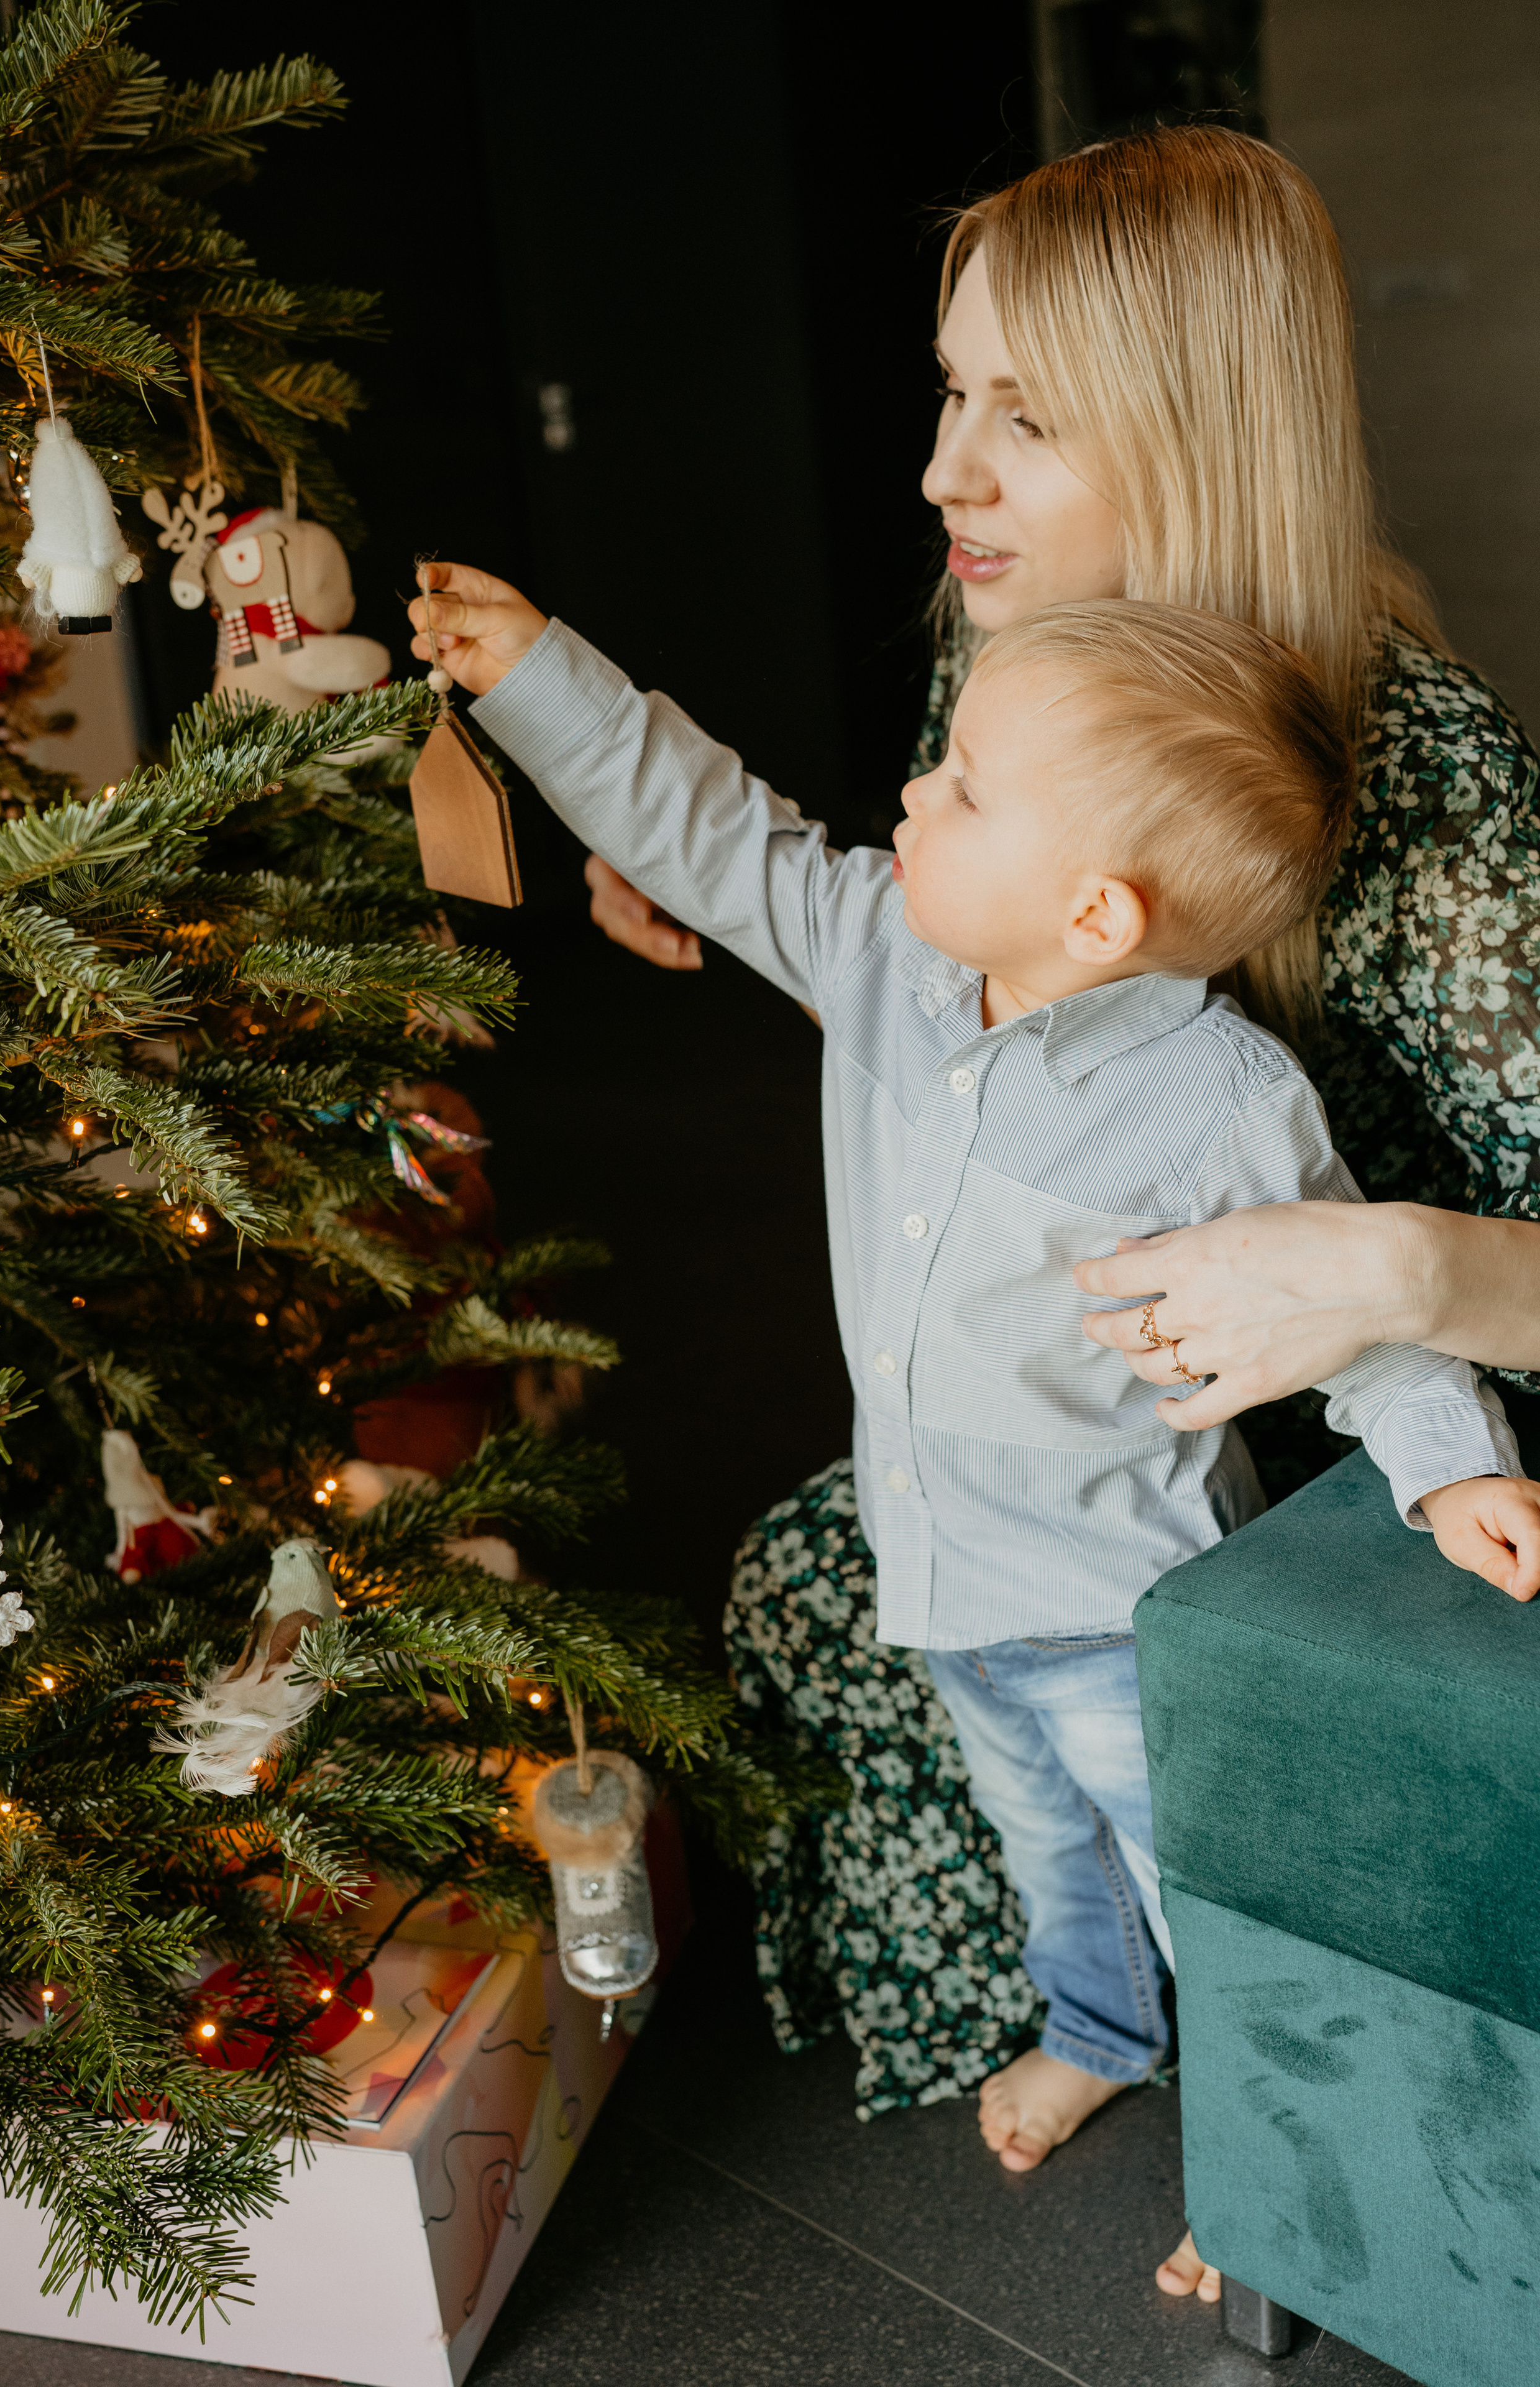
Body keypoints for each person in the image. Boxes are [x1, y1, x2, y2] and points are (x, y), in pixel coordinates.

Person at [564, 122, 1540, 2302]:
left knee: (1201, 1779)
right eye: (947, 392)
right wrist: (758, 897)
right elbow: (927, 927)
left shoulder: (1441, 797)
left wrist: (1413, 1288)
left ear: (1194, 443)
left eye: (1024, 413)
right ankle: (1101, 2025)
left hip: (1415, 1416)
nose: (940, 471)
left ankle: (1291, 2136)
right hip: (1103, 1409)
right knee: (845, 1602)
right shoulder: (1010, 663)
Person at [413, 548, 1540, 2258]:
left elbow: (1360, 1313)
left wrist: (1454, 1474)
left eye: (960, 788)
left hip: (1115, 1596)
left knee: (1191, 1886)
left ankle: (1264, 2176)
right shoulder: (888, 949)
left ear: (1094, 913)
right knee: (1039, 1845)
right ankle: (1096, 2032)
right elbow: (717, 832)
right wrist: (534, 672)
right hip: (941, 1574)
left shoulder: (1219, 1100)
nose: (908, 795)